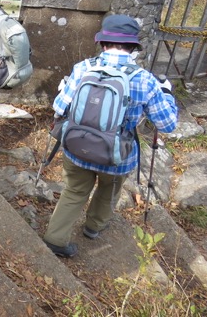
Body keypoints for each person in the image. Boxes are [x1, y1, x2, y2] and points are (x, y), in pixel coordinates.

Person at [42, 14, 178, 259]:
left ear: (103, 43)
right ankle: (93, 227)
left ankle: (55, 238)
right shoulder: (145, 80)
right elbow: (167, 124)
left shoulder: (83, 68)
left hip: (77, 146)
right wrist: (167, 94)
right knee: (109, 190)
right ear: (132, 47)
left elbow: (59, 107)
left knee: (74, 191)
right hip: (117, 155)